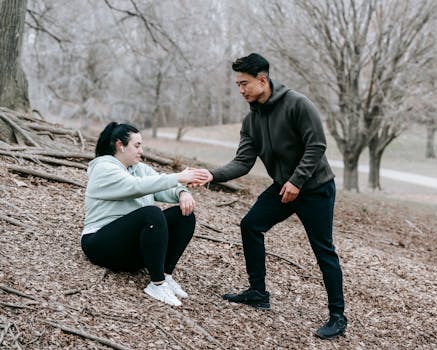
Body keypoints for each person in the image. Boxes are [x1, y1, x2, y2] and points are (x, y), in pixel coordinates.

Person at [202, 53, 347, 339]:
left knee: (323, 250)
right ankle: (258, 293)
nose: (241, 90)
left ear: (263, 80)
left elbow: (317, 145)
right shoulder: (250, 121)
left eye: (244, 83)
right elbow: (243, 162)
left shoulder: (298, 104)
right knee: (251, 224)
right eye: (238, 84)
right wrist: (212, 175)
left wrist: (297, 181)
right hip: (283, 187)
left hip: (315, 188)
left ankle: (338, 316)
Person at [81, 122, 209, 306]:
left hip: (129, 249)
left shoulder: (139, 168)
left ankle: (165, 275)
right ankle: (156, 284)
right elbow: (136, 187)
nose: (141, 151)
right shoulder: (103, 168)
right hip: (100, 245)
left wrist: (182, 192)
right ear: (120, 145)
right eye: (137, 145)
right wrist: (179, 177)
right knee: (151, 213)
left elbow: (160, 186)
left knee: (184, 215)